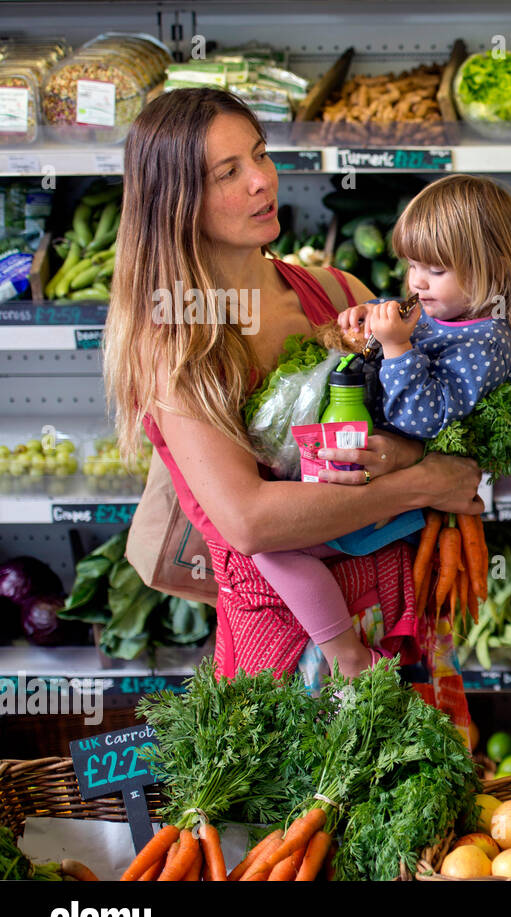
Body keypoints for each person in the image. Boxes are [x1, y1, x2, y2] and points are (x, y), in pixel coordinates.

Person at [102, 88, 484, 682]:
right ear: (175, 203)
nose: (262, 181)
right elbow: (251, 521)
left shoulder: (336, 293)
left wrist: (408, 453)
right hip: (291, 652)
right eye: (229, 172)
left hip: (400, 614)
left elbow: (439, 415)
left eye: (260, 154)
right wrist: (421, 483)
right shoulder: (179, 341)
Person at [248, 174, 511, 672]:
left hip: (398, 502)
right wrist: (367, 320)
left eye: (435, 269)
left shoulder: (485, 345)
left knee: (273, 548)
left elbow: (424, 415)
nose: (416, 282)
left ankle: (347, 658)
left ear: (494, 269)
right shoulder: (449, 314)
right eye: (413, 265)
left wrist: (395, 345)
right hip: (379, 475)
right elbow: (404, 337)